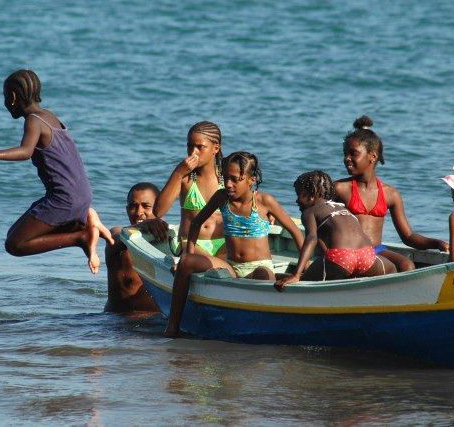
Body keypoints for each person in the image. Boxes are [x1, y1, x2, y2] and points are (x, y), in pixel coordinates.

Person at [0, 69, 113, 274]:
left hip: (63, 199)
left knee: (15, 245)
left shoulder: (33, 120)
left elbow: (25, 151)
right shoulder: (49, 116)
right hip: (81, 196)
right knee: (13, 234)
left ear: (13, 97)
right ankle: (85, 220)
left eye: (6, 97)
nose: (5, 104)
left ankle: (82, 236)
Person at [163, 151, 305, 337]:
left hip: (259, 267)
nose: (228, 184)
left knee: (263, 279)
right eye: (225, 178)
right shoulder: (222, 197)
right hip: (232, 266)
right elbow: (196, 223)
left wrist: (299, 272)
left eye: (235, 179)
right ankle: (173, 326)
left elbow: (296, 232)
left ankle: (260, 332)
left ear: (251, 180)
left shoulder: (264, 201)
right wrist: (189, 253)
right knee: (186, 262)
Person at [334, 116, 447, 272]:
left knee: (406, 265)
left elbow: (408, 236)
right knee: (385, 267)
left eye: (353, 153)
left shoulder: (390, 194)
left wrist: (437, 243)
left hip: (377, 250)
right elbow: (320, 224)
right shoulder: (340, 189)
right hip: (351, 251)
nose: (347, 158)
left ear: (373, 156)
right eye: (345, 153)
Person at [275, 171, 393, 290]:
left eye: (299, 195)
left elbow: (312, 238)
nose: (296, 201)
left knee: (304, 282)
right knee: (391, 268)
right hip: (367, 255)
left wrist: (296, 274)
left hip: (342, 258)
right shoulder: (342, 208)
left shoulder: (309, 212)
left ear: (312, 195)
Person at [154, 121, 226, 259]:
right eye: (190, 146)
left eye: (200, 147)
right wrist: (178, 173)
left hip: (224, 244)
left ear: (215, 148)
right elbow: (158, 211)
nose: (193, 152)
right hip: (191, 245)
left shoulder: (228, 178)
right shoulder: (185, 178)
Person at [104, 182, 167, 313]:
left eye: (146, 206)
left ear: (160, 208)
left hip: (156, 322)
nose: (139, 212)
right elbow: (115, 239)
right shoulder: (118, 235)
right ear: (127, 210)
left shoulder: (171, 240)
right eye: (133, 206)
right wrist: (140, 228)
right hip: (119, 323)